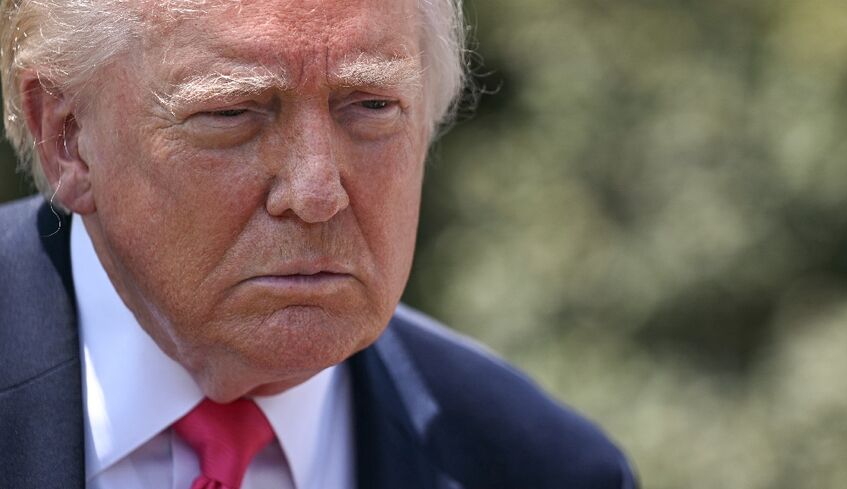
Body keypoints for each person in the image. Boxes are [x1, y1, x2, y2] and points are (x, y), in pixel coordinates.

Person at [0, 0, 637, 488]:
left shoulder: (544, 467)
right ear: (67, 137)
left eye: (369, 106)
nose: (316, 192)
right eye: (233, 113)